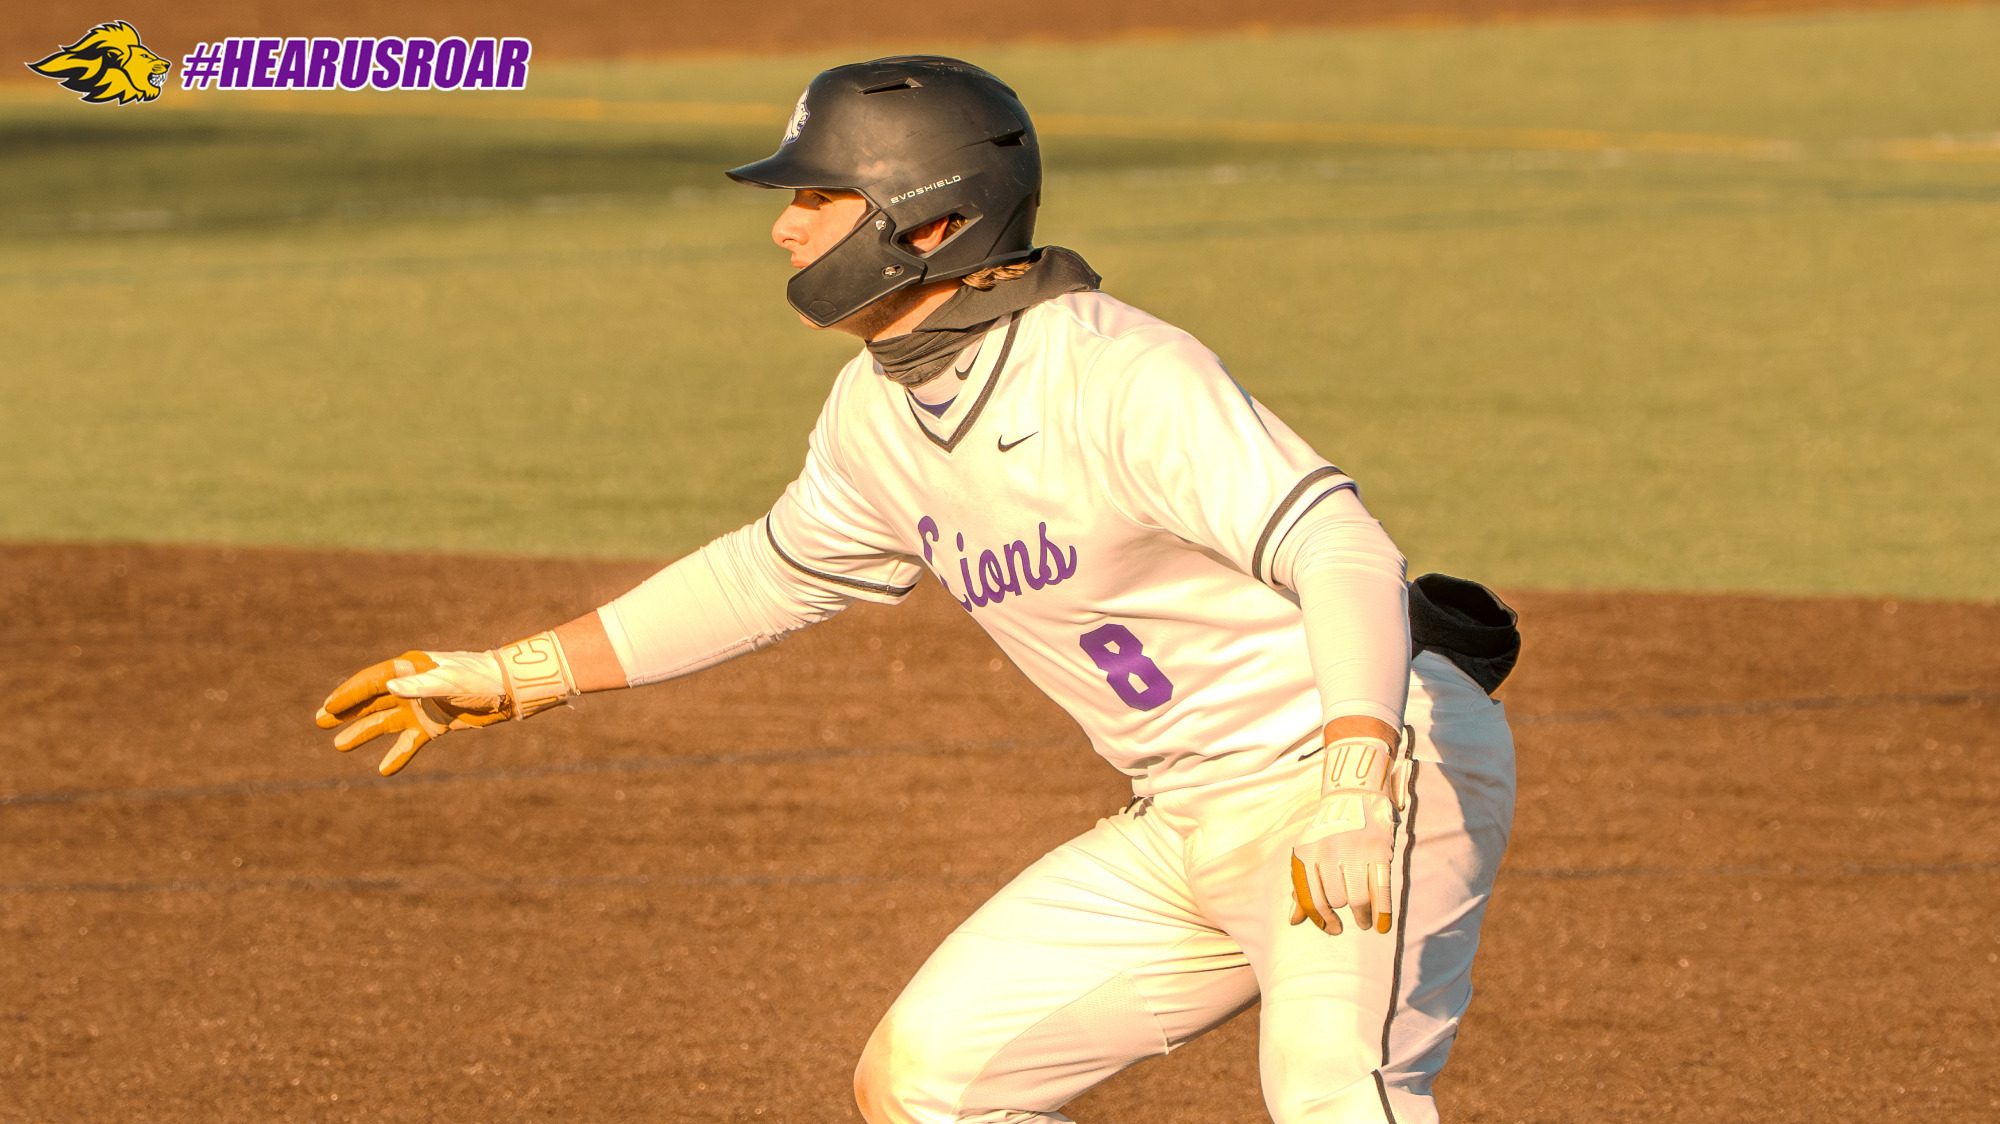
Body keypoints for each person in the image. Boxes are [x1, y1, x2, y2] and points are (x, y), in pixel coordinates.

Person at [314, 56, 1522, 1124]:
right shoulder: (879, 411)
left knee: (1334, 1090)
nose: (786, 231)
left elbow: (1342, 549)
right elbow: (770, 570)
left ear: (929, 220)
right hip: (1186, 815)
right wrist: (517, 674)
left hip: (1356, 772)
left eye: (816, 196)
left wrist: (1357, 778)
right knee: (930, 1082)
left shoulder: (1111, 370)